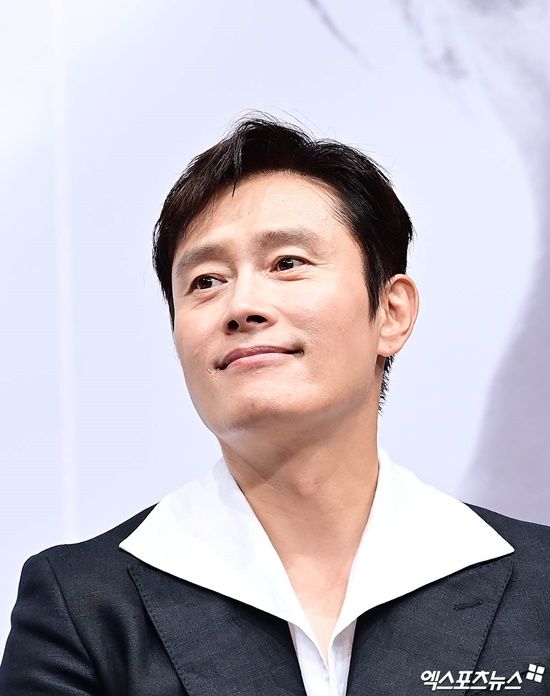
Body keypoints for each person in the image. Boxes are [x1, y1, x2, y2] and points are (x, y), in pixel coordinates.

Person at [1, 116, 549, 696]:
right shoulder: (82, 607)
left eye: (287, 263)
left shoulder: (538, 585)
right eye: (206, 281)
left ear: (391, 313)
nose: (242, 305)